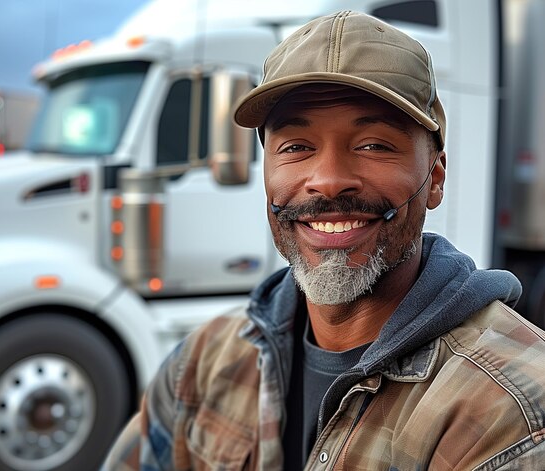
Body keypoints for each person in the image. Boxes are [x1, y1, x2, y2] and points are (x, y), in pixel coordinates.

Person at [102, 10, 545, 470]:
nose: (329, 181)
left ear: (434, 179)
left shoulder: (513, 412)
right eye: (296, 147)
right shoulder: (202, 364)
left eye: (373, 144)